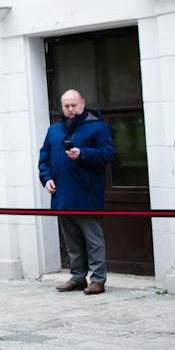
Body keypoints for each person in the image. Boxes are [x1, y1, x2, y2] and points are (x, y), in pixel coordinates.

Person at [38, 89, 117, 295]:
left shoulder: (97, 127)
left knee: (93, 240)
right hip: (61, 194)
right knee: (71, 240)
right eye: (66, 106)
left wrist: (83, 153)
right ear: (62, 107)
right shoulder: (54, 130)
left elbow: (108, 153)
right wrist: (46, 179)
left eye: (74, 105)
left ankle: (98, 279)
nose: (71, 109)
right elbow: (44, 157)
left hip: (86, 193)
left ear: (83, 103)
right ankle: (78, 276)